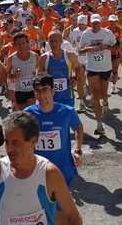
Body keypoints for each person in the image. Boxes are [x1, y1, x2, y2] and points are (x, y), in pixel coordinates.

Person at [0, 111, 82, 225]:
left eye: (15, 143)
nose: (9, 148)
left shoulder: (49, 173)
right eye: (6, 142)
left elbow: (74, 217)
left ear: (33, 141)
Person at [24, 74, 84, 225]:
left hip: (62, 170)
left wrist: (77, 150)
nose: (42, 95)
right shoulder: (28, 114)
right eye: (38, 91)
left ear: (53, 91)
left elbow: (79, 127)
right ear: (34, 93)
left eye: (45, 90)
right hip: (36, 171)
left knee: (59, 215)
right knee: (38, 213)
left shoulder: (66, 112)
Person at [78, 14, 118, 136]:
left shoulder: (107, 33)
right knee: (95, 95)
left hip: (105, 67)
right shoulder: (86, 34)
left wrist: (108, 47)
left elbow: (117, 46)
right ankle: (99, 124)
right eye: (93, 23)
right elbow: (80, 50)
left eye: (97, 23)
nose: (95, 26)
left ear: (101, 23)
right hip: (92, 68)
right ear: (90, 23)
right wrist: (88, 49)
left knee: (103, 94)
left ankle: (105, 103)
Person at [38, 30, 83, 108]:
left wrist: (75, 78)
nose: (54, 43)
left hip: (67, 96)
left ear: (61, 41)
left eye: (56, 41)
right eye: (51, 41)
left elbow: (78, 68)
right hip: (50, 98)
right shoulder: (44, 58)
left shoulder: (69, 55)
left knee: (67, 119)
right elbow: (39, 75)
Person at [5, 32, 38, 111]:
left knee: (30, 111)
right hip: (19, 90)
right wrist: (14, 75)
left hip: (32, 89)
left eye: (23, 43)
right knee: (22, 114)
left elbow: (39, 70)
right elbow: (7, 74)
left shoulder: (35, 56)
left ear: (27, 43)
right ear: (15, 45)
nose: (21, 45)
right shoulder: (11, 58)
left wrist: (36, 74)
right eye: (18, 43)